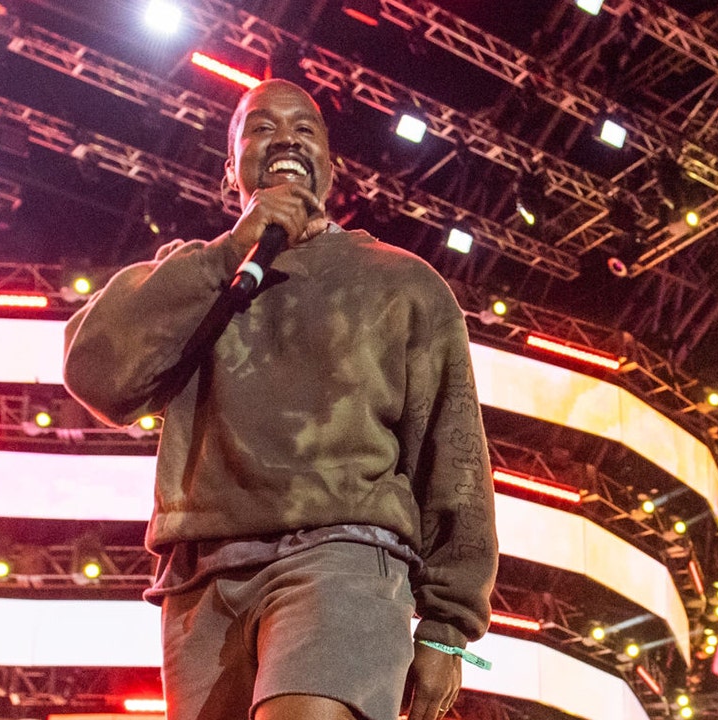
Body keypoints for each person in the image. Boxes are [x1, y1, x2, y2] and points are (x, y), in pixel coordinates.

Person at [62, 79, 498, 720]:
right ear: (229, 169)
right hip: (203, 579)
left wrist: (447, 625)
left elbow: (454, 460)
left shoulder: (403, 283)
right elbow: (96, 375)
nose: (287, 138)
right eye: (262, 127)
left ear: (330, 166)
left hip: (344, 555)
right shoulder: (193, 276)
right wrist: (227, 256)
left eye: (305, 128)